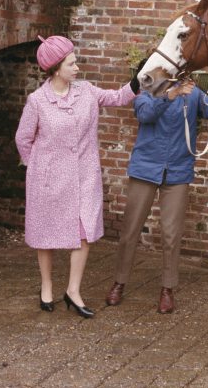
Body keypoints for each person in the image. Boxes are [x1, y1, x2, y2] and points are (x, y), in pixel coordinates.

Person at [15, 35, 137, 318]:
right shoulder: (37, 102)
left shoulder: (86, 91)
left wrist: (137, 81)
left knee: (83, 232)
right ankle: (46, 286)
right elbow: (23, 139)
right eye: (72, 63)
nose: (77, 67)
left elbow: (117, 97)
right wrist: (38, 168)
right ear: (56, 68)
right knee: (45, 233)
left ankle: (73, 291)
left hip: (84, 177)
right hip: (48, 180)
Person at [105, 77, 208, 314]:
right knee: (130, 232)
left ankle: (167, 289)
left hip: (178, 172)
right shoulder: (147, 90)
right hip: (145, 169)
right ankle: (119, 281)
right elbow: (145, 114)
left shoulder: (195, 93)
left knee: (171, 234)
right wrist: (171, 95)